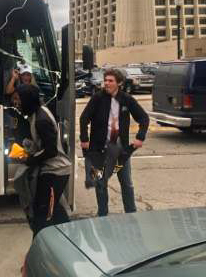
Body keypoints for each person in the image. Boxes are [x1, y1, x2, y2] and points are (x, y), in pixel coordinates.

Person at [80, 68, 149, 217]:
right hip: (99, 152)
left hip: (120, 153)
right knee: (100, 184)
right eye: (105, 80)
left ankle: (131, 214)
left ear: (119, 83)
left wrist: (140, 137)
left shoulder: (127, 99)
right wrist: (84, 140)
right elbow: (83, 118)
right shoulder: (97, 99)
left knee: (126, 183)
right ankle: (103, 215)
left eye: (110, 81)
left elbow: (143, 118)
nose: (106, 83)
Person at [14, 84, 72, 237]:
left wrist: (29, 159)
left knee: (42, 215)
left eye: (18, 99)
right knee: (55, 211)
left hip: (55, 171)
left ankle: (38, 248)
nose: (16, 103)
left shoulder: (41, 119)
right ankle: (71, 239)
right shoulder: (36, 113)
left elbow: (51, 151)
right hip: (48, 170)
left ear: (27, 100)